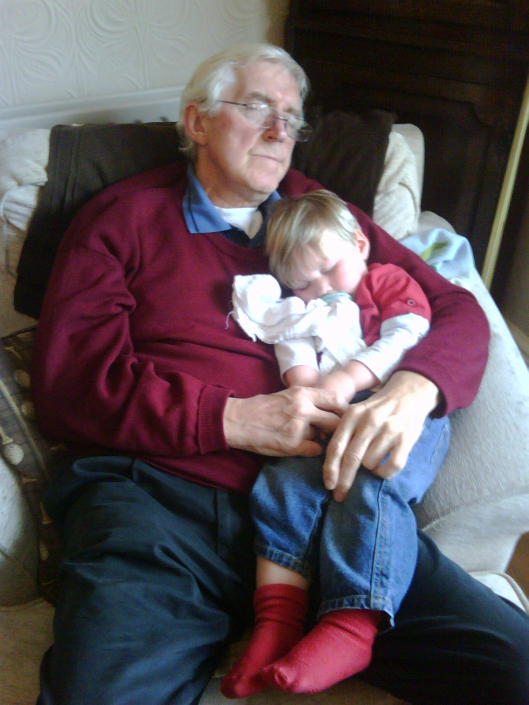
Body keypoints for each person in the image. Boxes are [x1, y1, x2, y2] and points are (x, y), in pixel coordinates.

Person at [30, 43, 529, 705]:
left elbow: (454, 308)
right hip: (158, 503)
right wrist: (232, 418)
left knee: (513, 666)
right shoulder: (123, 219)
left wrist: (414, 389)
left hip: (332, 506)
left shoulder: (317, 212)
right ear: (197, 122)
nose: (278, 132)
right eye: (257, 108)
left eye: (291, 118)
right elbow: (68, 383)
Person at [220, 189, 448, 697]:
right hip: (326, 418)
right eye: (303, 282)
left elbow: (409, 332)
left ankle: (353, 624)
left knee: (372, 482)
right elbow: (294, 351)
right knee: (280, 483)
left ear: (360, 246)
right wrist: (306, 390)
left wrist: (346, 378)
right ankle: (277, 619)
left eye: (329, 269)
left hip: (400, 410)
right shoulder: (300, 309)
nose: (321, 289)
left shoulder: (385, 280)